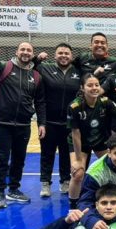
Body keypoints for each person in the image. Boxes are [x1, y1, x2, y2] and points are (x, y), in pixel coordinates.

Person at [0, 43, 46, 209]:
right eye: (23, 49)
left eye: (29, 50)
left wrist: (42, 123)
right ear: (17, 52)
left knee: (19, 160)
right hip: (2, 124)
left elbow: (40, 102)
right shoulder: (3, 67)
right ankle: (0, 192)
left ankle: (14, 189)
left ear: (32, 53)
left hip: (23, 124)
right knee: (2, 160)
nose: (25, 52)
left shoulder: (36, 76)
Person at [67, 74, 116, 208]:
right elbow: (75, 134)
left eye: (97, 85)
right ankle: (73, 206)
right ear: (82, 88)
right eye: (90, 85)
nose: (94, 88)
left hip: (101, 141)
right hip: (80, 143)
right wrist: (79, 159)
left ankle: (114, 198)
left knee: (113, 166)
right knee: (78, 173)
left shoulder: (105, 102)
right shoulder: (75, 106)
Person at [36, 43, 81, 198]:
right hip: (49, 121)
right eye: (60, 53)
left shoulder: (78, 71)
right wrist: (37, 58)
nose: (63, 56)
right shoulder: (44, 68)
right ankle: (45, 183)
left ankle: (65, 181)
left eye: (67, 53)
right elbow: (29, 66)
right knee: (47, 153)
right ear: (54, 55)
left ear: (71, 56)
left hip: (69, 123)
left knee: (65, 153)